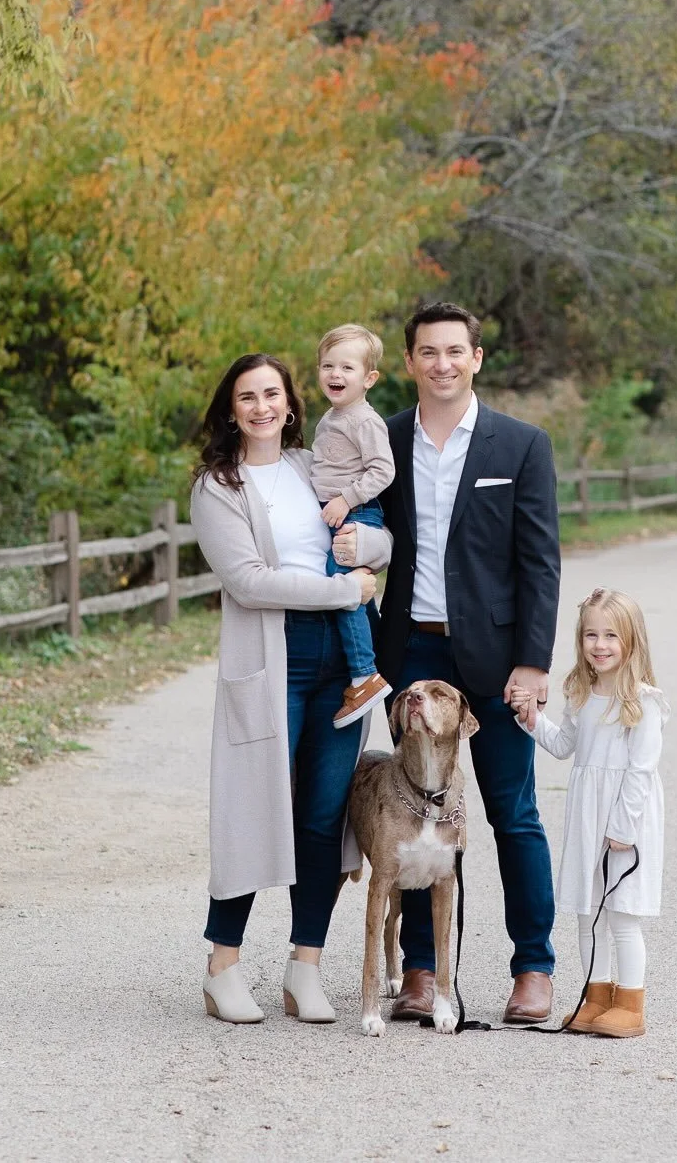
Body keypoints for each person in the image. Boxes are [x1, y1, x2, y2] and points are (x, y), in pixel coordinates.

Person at [359, 299, 561, 1023]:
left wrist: (533, 663)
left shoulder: (521, 445)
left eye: (455, 351)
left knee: (514, 813)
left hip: (499, 656)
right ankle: (419, 973)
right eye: (427, 352)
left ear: (476, 358)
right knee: (413, 818)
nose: (441, 363)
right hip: (413, 650)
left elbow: (540, 563)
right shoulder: (382, 443)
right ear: (410, 363)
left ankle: (533, 967)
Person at [189, 352, 391, 1026]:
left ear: (291, 403)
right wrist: (343, 588)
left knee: (322, 818)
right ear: (230, 410)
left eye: (272, 393)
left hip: (342, 659)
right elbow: (249, 582)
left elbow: (379, 540)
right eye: (247, 396)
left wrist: (366, 554)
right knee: (254, 811)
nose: (262, 406)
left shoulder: (313, 467)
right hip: (273, 662)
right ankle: (223, 966)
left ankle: (305, 966)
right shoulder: (218, 487)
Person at [512, 586, 669, 1037]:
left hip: (625, 820)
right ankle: (595, 996)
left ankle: (631, 1003)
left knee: (621, 913)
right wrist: (532, 719)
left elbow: (641, 771)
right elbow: (564, 746)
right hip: (588, 817)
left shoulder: (644, 701)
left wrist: (623, 827)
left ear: (632, 641)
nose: (599, 646)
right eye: (590, 635)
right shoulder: (582, 695)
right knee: (588, 913)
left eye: (611, 636)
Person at [310, 324, 395, 728]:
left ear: (369, 378)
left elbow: (383, 470)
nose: (335, 374)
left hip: (357, 513)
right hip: (338, 511)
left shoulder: (364, 420)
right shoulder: (331, 416)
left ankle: (363, 675)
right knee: (357, 592)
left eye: (347, 367)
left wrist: (346, 499)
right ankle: (378, 651)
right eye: (328, 365)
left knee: (340, 582)